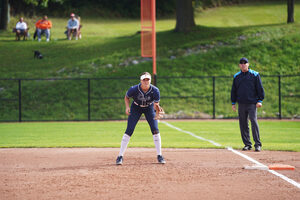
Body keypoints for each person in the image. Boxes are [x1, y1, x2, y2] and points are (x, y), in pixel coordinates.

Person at [116, 72, 166, 165]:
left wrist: (157, 110)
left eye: (148, 79)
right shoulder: (134, 89)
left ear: (150, 80)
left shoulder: (155, 90)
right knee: (129, 130)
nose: (146, 81)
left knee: (155, 130)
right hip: (136, 107)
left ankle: (159, 155)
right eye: (144, 79)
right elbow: (127, 97)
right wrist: (127, 107)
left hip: (149, 108)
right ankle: (120, 156)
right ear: (141, 80)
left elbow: (156, 104)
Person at [231, 57, 265, 152]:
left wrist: (260, 100)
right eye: (241, 63)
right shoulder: (237, 76)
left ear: (248, 64)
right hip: (241, 103)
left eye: (245, 63)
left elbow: (260, 88)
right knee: (243, 124)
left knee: (253, 122)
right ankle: (247, 144)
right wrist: (233, 103)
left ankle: (257, 144)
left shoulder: (255, 74)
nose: (243, 64)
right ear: (239, 65)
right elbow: (234, 90)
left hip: (252, 103)